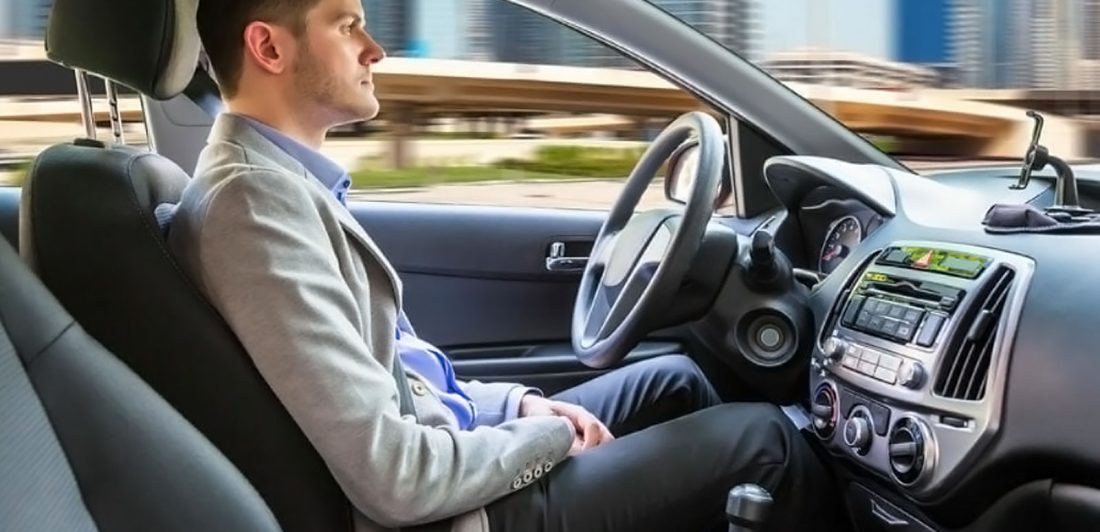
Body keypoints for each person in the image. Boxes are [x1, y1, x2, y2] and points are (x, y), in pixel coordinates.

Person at [169, 0, 835, 530]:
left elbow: (398, 376)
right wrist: (543, 438)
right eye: (348, 27)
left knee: (676, 380)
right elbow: (394, 479)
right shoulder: (254, 206)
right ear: (268, 47)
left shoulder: (283, 185)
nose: (375, 50)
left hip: (452, 453)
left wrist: (517, 403)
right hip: (458, 515)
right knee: (765, 441)